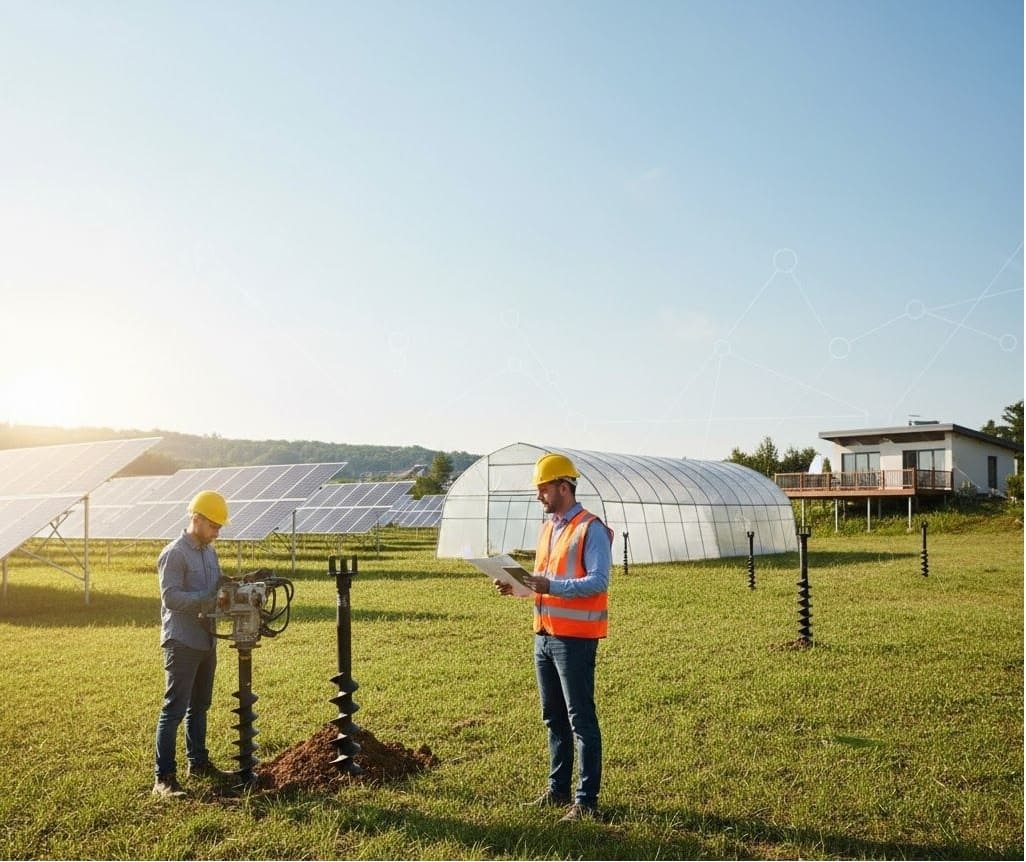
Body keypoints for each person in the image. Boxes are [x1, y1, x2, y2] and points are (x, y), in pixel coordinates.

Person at [493, 452, 613, 822]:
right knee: (553, 718)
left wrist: (550, 586)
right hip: (544, 635)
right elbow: (542, 583)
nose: (539, 496)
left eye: (543, 489)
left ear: (564, 487)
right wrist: (518, 588)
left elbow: (598, 581)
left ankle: (586, 801)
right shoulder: (549, 529)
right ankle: (558, 790)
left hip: (574, 638)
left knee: (581, 721)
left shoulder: (590, 528)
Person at [152, 490, 232, 797]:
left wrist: (230, 588)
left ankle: (198, 763)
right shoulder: (174, 554)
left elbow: (216, 586)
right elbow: (170, 597)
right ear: (196, 519)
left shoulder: (209, 552)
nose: (217, 533)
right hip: (182, 641)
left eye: (219, 527)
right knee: (174, 709)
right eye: (213, 526)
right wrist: (206, 598)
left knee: (200, 706)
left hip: (207, 640)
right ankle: (163, 779)